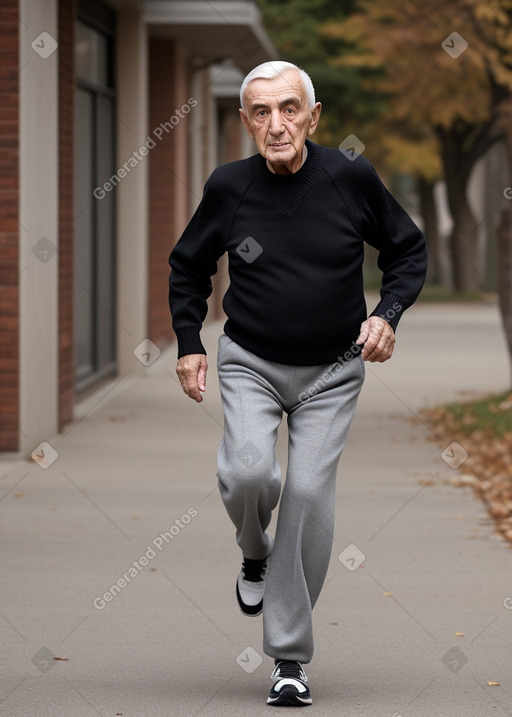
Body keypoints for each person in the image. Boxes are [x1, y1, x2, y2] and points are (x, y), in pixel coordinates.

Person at [168, 60, 427, 707]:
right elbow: (187, 267)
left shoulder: (350, 177)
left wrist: (386, 315)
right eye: (261, 111)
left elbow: (408, 250)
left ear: (313, 117)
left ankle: (288, 657)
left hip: (333, 370)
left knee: (308, 492)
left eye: (289, 109)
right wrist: (188, 343)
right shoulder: (229, 187)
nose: (276, 124)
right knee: (250, 473)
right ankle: (253, 550)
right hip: (251, 360)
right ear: (245, 120)